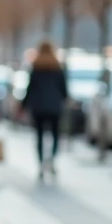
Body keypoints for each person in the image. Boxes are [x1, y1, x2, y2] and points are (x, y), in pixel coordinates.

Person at [22, 41, 68, 178]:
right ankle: (52, 159)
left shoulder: (36, 67)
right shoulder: (58, 67)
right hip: (54, 106)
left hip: (38, 106)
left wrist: (23, 105)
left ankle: (41, 163)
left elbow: (30, 88)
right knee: (55, 135)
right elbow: (64, 90)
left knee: (40, 135)